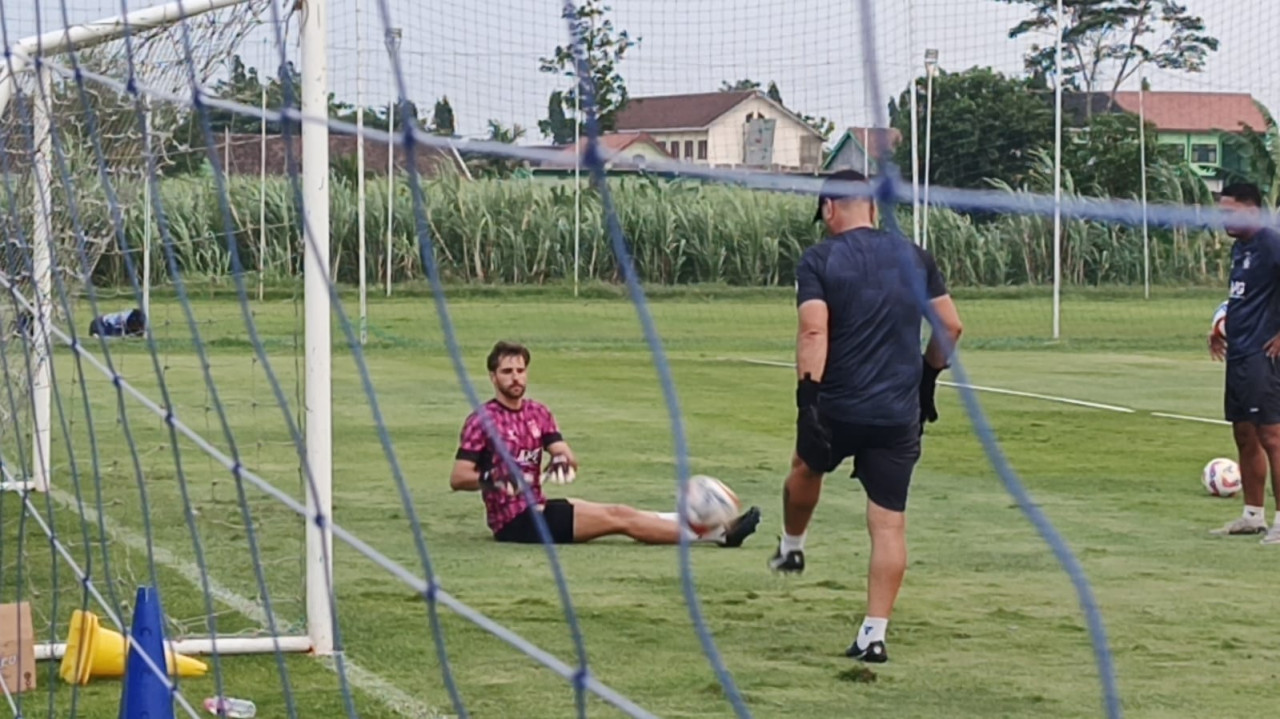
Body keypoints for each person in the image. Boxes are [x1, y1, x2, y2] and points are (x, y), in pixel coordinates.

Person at [767, 169, 963, 663]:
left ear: (830, 208)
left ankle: (792, 544)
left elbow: (814, 331)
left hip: (836, 407)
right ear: (874, 208)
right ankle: (874, 633)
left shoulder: (819, 258)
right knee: (888, 524)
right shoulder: (917, 257)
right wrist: (928, 378)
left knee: (805, 469)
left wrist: (807, 397)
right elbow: (952, 326)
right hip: (897, 414)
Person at [450, 340, 762, 547]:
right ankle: (717, 534)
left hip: (539, 507)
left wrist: (561, 460)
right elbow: (459, 477)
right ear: (493, 377)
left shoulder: (538, 412)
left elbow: (564, 453)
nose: (515, 378)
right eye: (507, 372)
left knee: (621, 510)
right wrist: (491, 479)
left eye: (520, 370)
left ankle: (707, 525)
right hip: (516, 523)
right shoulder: (482, 420)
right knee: (618, 519)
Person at [1208, 182, 1280, 544]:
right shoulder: (1242, 248)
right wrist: (1219, 325)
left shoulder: (1272, 242)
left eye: (1229, 211)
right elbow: (1242, 296)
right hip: (1239, 353)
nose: (1223, 218)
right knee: (1244, 434)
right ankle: (1253, 516)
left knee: (1272, 436)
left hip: (1262, 357)